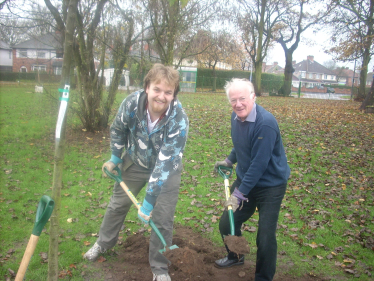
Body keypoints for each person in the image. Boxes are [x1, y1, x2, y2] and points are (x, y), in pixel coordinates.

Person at [84, 63, 189, 281]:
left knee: (162, 217)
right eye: (157, 89)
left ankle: (159, 268)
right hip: (135, 161)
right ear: (147, 88)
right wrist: (115, 158)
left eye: (168, 92)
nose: (161, 96)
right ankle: (103, 244)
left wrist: (149, 202)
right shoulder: (132, 103)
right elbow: (118, 128)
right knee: (117, 205)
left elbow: (164, 163)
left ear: (174, 94)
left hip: (167, 170)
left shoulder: (179, 119)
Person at [213, 78, 290, 281]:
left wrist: (238, 194)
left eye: (242, 99)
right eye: (233, 100)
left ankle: (263, 277)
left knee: (265, 235)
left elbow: (259, 165)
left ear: (253, 97)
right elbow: (241, 143)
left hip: (270, 186)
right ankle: (236, 256)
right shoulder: (236, 117)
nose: (238, 104)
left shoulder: (266, 124)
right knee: (227, 223)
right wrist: (230, 160)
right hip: (247, 180)